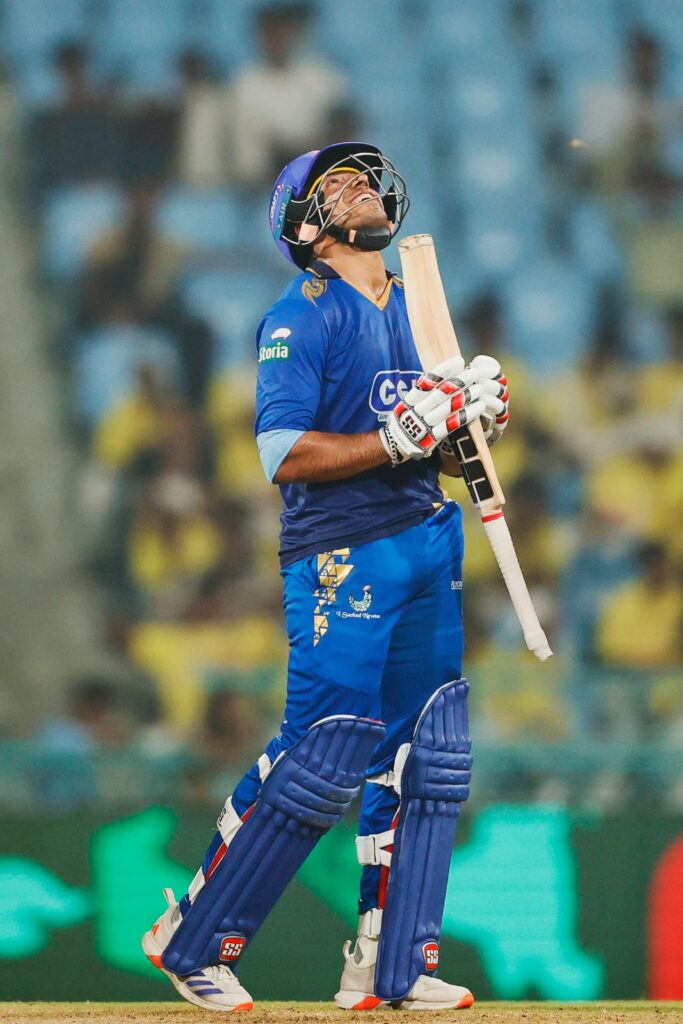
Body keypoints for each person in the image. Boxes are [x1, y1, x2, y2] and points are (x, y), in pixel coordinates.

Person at [142, 141, 511, 1011]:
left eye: (364, 179)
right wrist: (395, 436)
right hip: (342, 552)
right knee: (324, 748)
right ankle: (193, 939)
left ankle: (392, 965)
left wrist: (474, 417)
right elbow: (281, 453)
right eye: (339, 186)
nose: (363, 190)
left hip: (426, 537)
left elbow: (443, 454)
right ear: (305, 226)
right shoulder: (298, 316)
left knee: (430, 754)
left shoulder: (418, 305)